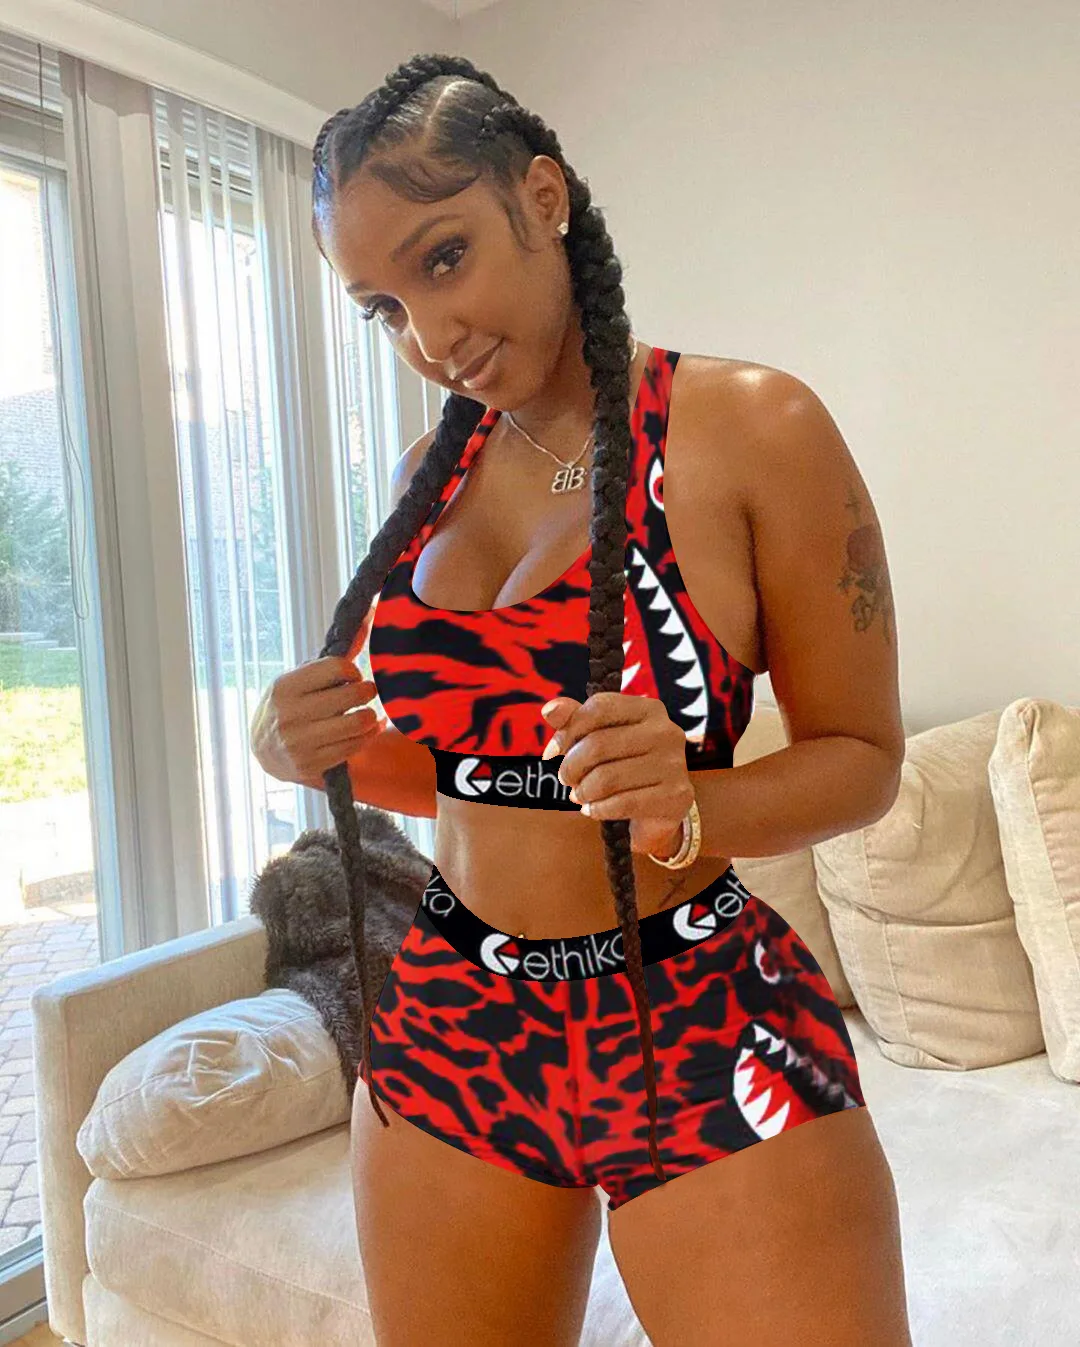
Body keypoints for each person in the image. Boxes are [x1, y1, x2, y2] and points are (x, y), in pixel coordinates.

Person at [250, 51, 913, 1347]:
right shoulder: (428, 472)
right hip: (450, 1016)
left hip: (693, 1008)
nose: (429, 337)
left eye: (444, 259)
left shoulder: (751, 426)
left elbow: (862, 756)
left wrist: (692, 803)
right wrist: (305, 744)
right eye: (383, 308)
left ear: (543, 197)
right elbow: (466, 772)